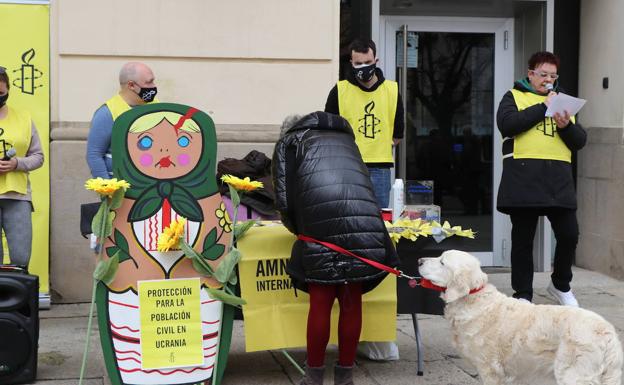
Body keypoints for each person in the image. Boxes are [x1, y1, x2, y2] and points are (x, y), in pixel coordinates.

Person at [272, 112, 399, 385]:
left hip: (319, 223)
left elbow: (284, 197)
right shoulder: (346, 139)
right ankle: (345, 376)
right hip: (363, 219)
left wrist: (299, 229)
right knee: (351, 301)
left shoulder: (289, 142)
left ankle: (314, 376)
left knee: (321, 301)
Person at [496, 51, 586, 306]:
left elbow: (579, 141)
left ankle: (560, 284)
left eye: (553, 76)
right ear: (531, 74)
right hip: (524, 177)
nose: (548, 80)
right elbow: (509, 125)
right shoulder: (513, 96)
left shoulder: (565, 101)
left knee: (569, 234)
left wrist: (566, 125)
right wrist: (543, 106)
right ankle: (523, 294)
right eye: (543, 75)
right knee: (523, 240)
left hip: (558, 180)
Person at [325, 38, 404, 208]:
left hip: (380, 167)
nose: (364, 67)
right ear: (351, 63)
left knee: (378, 217)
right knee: (347, 213)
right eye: (358, 63)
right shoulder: (340, 90)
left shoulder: (392, 90)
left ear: (376, 61)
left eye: (368, 62)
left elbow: (398, 133)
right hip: (347, 165)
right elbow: (327, 130)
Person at [0, 66, 44, 268]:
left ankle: (18, 298)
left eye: (0, 93)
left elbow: (38, 157)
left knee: (20, 257)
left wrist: (17, 163)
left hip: (17, 196)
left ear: (8, 90)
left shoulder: (24, 118)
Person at [86, 62, 158, 179]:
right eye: (148, 82)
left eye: (153, 81)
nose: (153, 86)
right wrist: (107, 189)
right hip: (121, 189)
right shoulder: (107, 113)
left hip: (152, 186)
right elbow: (94, 155)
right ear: (131, 85)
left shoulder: (157, 106)